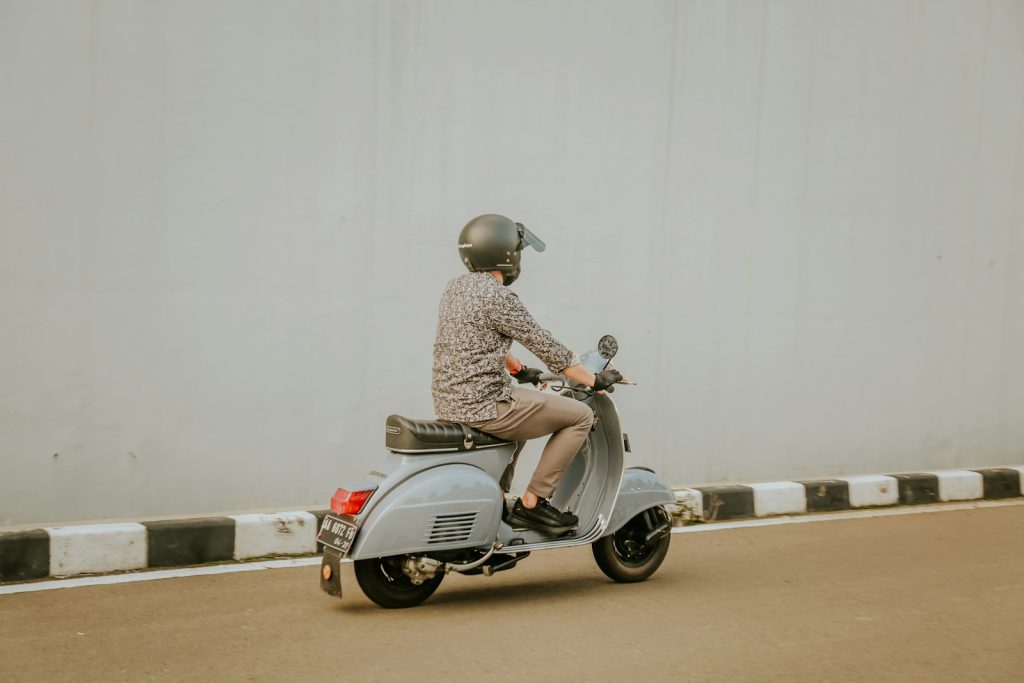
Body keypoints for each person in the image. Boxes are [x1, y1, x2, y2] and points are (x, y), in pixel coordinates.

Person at [431, 214, 622, 533]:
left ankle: (499, 495)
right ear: (507, 255)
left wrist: (518, 369)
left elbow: (474, 339)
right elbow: (545, 345)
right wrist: (594, 379)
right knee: (579, 416)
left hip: (450, 403)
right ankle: (533, 503)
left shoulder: (455, 289)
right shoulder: (498, 296)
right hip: (485, 406)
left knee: (524, 413)